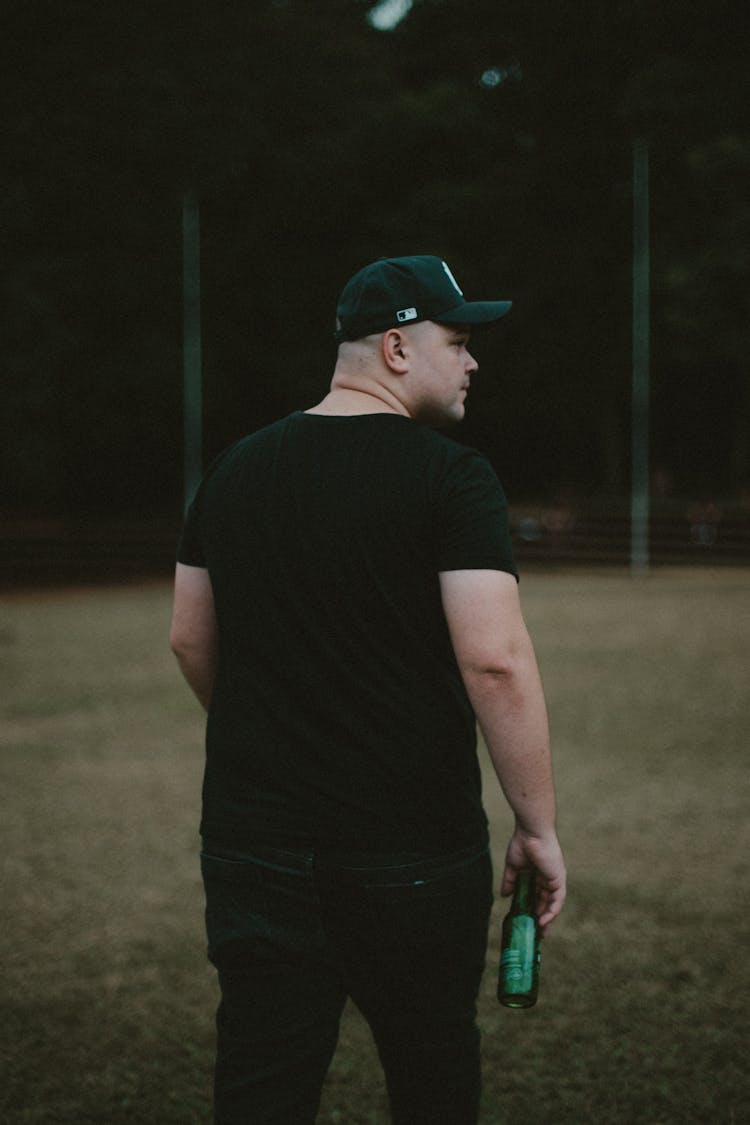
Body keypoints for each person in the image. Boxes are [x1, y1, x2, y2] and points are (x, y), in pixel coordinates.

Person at [170, 254, 566, 1125]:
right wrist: (535, 826)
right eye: (457, 342)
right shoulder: (452, 478)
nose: (472, 363)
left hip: (254, 841)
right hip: (411, 850)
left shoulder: (232, 471)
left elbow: (189, 636)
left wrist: (277, 729)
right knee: (431, 1076)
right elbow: (495, 659)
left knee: (260, 1086)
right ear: (396, 347)